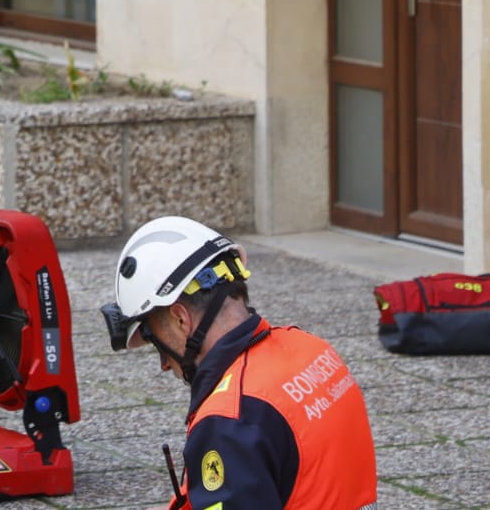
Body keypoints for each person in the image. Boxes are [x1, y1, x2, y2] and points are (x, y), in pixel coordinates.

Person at [100, 216, 377, 510]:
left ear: (180, 319)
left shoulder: (230, 418)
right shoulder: (312, 350)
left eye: (158, 344)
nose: (165, 364)